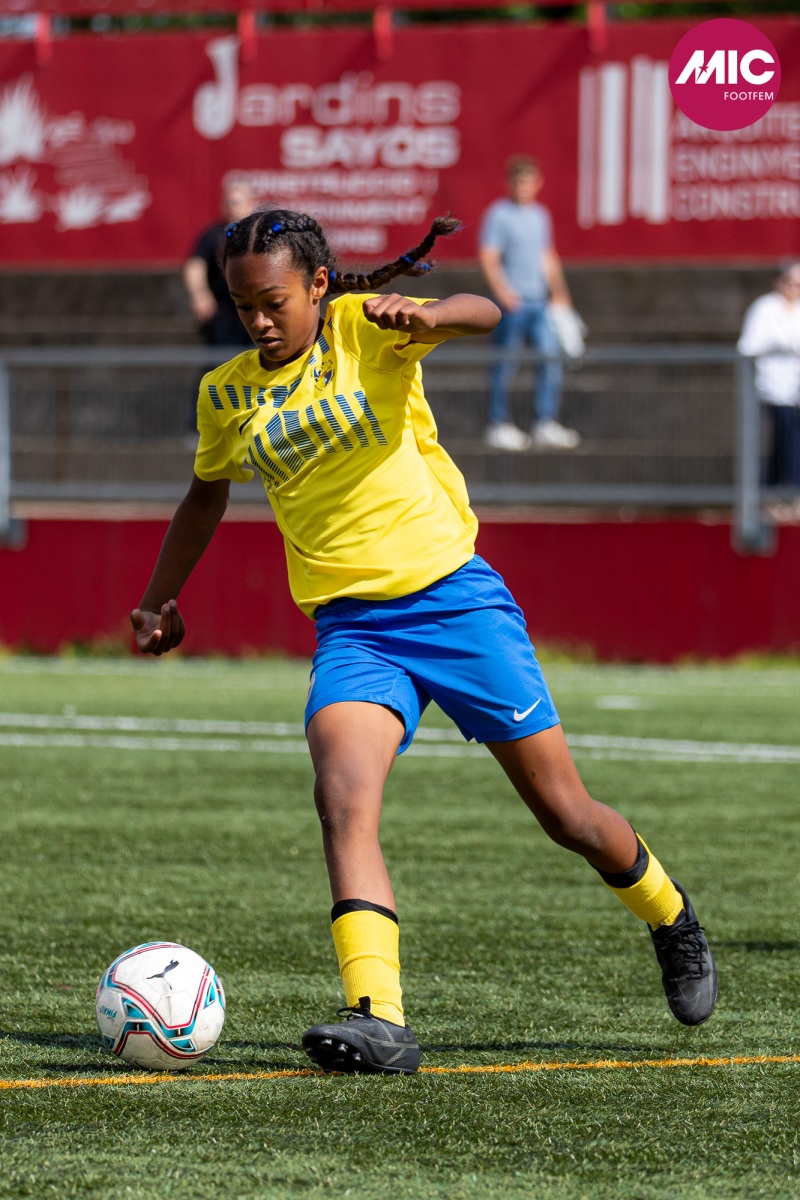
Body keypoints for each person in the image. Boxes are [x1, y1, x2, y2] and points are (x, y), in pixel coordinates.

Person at [131, 208, 717, 1076]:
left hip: (456, 605)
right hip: (354, 630)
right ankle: (379, 1017)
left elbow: (486, 313)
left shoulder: (363, 329)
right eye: (241, 304)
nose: (256, 320)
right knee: (342, 797)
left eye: (273, 303)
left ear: (318, 286)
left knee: (567, 815)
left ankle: (671, 916)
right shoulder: (225, 391)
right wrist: (158, 600)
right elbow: (205, 496)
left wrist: (429, 314)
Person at [479, 154, 580, 452]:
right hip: (514, 305)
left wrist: (559, 292)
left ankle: (545, 423)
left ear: (538, 183)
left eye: (528, 182)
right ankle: (497, 424)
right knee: (505, 364)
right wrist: (503, 292)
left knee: (550, 361)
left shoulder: (540, 215)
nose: (523, 187)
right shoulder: (498, 214)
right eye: (518, 182)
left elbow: (546, 255)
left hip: (540, 303)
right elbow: (488, 256)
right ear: (509, 183)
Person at [738, 260, 800, 499]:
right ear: (779, 282)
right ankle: (785, 493)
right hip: (774, 388)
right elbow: (748, 346)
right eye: (791, 283)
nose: (794, 289)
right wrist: (778, 347)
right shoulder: (764, 308)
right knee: (787, 440)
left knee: (788, 442)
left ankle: (779, 493)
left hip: (795, 389)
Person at [183, 180, 256, 347]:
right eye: (227, 203)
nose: (231, 207)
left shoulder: (258, 233)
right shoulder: (213, 235)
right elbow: (195, 266)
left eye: (235, 202)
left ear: (251, 203)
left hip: (255, 308)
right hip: (223, 312)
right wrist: (199, 294)